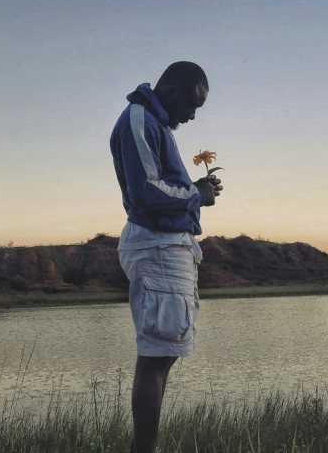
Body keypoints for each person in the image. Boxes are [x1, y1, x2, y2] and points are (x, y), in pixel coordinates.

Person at [110, 61, 223, 453]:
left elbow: (160, 185)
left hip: (166, 247)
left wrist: (195, 187)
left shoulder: (153, 124)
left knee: (163, 355)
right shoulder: (140, 118)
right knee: (155, 358)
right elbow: (144, 191)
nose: (192, 116)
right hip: (157, 247)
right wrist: (196, 195)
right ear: (171, 90)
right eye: (192, 105)